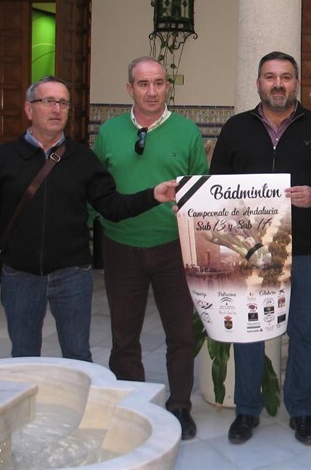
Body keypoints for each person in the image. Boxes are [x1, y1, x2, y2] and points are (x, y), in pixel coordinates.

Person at [210, 51, 311, 446]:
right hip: (249, 253)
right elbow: (215, 186)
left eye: (286, 77)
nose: (278, 84)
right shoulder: (236, 129)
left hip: (303, 250)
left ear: (297, 83)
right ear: (258, 83)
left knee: (304, 333)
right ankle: (246, 411)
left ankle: (302, 411)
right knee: (248, 332)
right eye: (270, 77)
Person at [0, 76, 177, 362]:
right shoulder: (3, 159)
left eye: (63, 103)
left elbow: (112, 206)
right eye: (48, 101)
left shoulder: (82, 159)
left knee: (77, 356)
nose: (57, 109)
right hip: (19, 276)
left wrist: (153, 195)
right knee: (23, 358)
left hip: (72, 276)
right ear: (28, 109)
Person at [93, 57, 208, 440]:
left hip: (172, 248)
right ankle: (134, 402)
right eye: (143, 83)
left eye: (159, 82)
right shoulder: (109, 132)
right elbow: (96, 189)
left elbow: (201, 188)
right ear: (130, 89)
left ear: (167, 86)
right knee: (125, 335)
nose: (152, 91)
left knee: (181, 334)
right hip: (121, 246)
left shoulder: (187, 131)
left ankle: (179, 406)